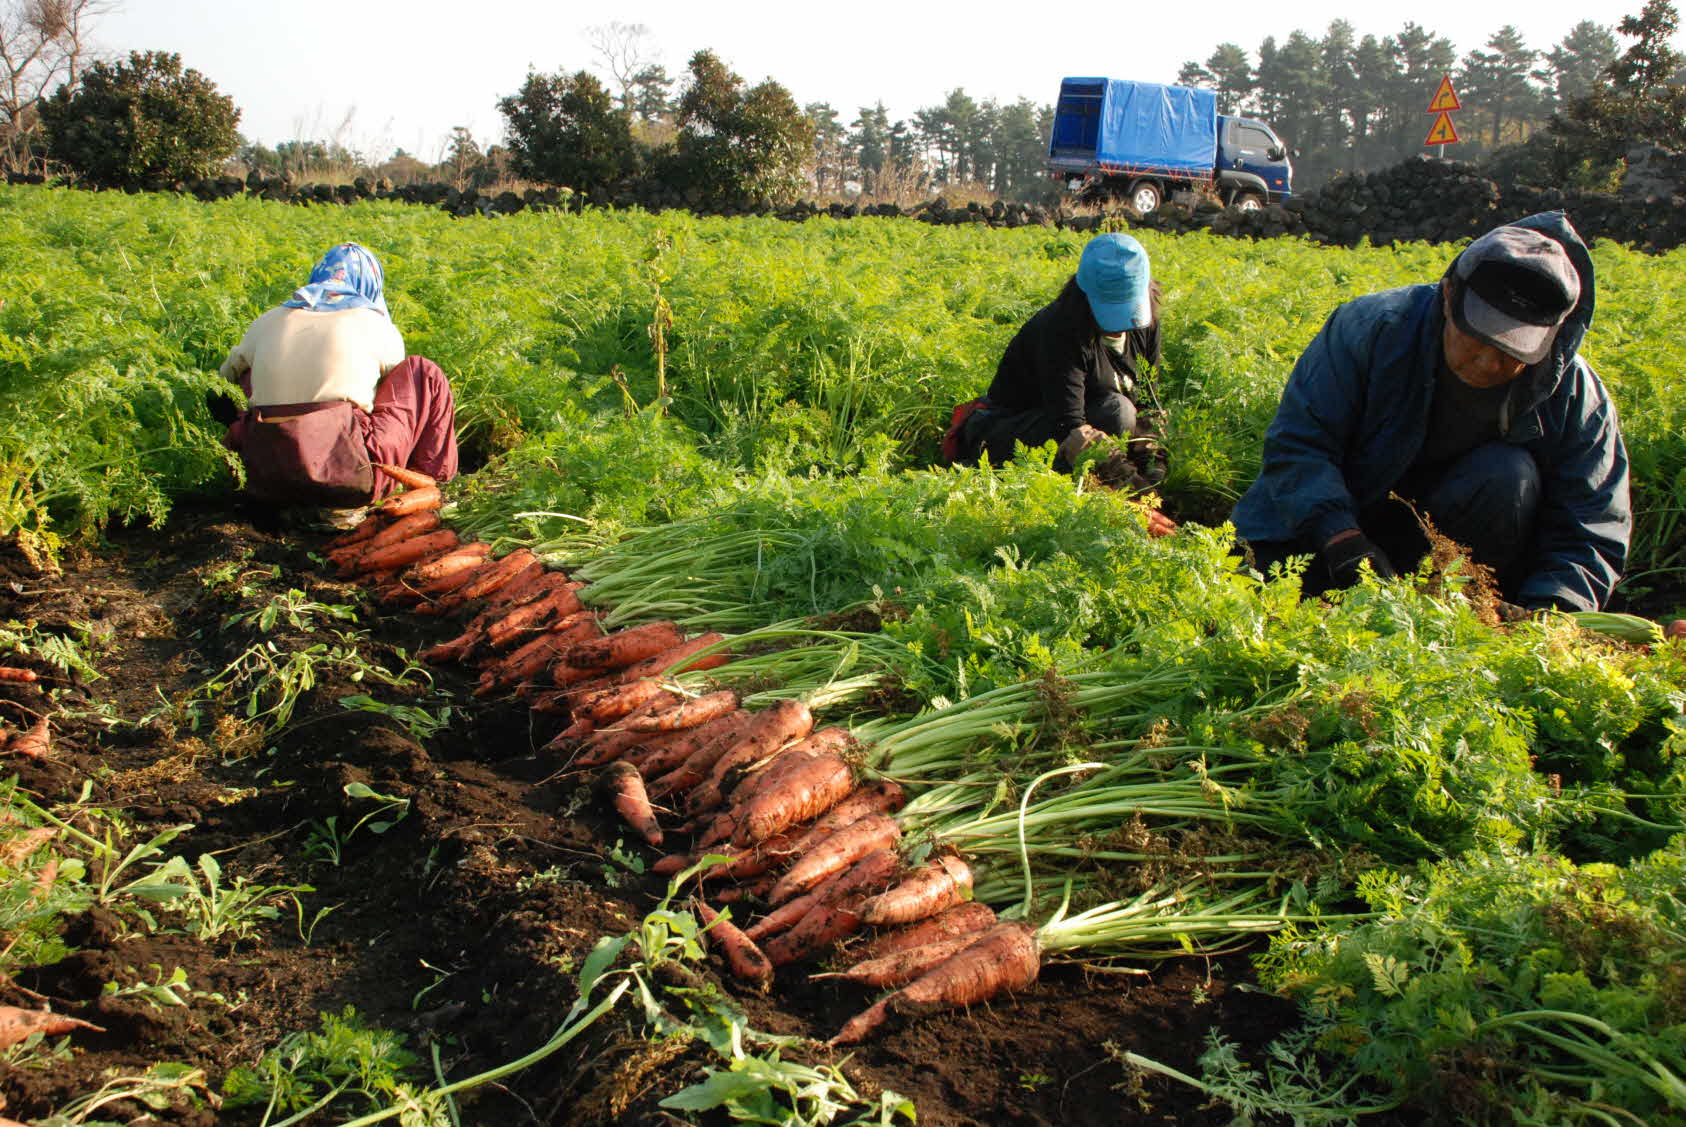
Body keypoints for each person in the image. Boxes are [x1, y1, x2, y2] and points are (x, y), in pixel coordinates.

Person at [1231, 211, 1630, 615]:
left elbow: (1592, 525)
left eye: (1512, 350)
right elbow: (1300, 445)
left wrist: (1551, 614)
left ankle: (1459, 610)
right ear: (1448, 294)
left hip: (1453, 544)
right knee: (1262, 601)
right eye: (1478, 337)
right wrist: (1342, 540)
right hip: (1327, 533)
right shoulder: (1371, 330)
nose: (1487, 362)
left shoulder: (1577, 396)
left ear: (1554, 335)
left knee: (1510, 473)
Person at [216, 243, 459, 518]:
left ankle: (254, 478)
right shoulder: (373, 323)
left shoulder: (267, 320)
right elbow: (392, 384)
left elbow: (220, 387)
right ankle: (431, 486)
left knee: (245, 377)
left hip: (264, 475)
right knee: (422, 372)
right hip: (347, 475)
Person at [945, 232, 1168, 490]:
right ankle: (1083, 492)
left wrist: (1153, 472)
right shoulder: (1060, 328)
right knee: (1117, 412)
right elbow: (1071, 430)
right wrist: (1132, 490)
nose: (1120, 328)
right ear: (1085, 296)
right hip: (1008, 432)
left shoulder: (1146, 324)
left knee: (1127, 415)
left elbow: (1148, 405)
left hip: (1079, 423)